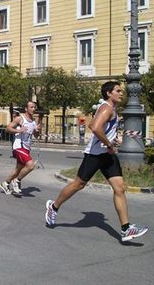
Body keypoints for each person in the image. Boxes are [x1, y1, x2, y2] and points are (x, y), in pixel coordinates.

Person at [45, 81, 149, 242]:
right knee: (78, 184)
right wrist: (108, 143)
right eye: (118, 90)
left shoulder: (110, 108)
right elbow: (95, 127)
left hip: (107, 155)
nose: (122, 93)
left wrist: (113, 140)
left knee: (119, 188)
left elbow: (94, 125)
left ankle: (126, 228)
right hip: (95, 155)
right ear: (109, 93)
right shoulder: (107, 108)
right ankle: (54, 206)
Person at [0, 101, 40, 195]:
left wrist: (37, 131)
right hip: (18, 147)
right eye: (31, 107)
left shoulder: (34, 121)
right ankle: (16, 181)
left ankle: (6, 183)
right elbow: (8, 128)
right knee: (31, 165)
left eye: (34, 107)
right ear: (26, 108)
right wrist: (19, 130)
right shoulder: (20, 118)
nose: (34, 109)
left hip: (26, 148)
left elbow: (36, 136)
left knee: (18, 169)